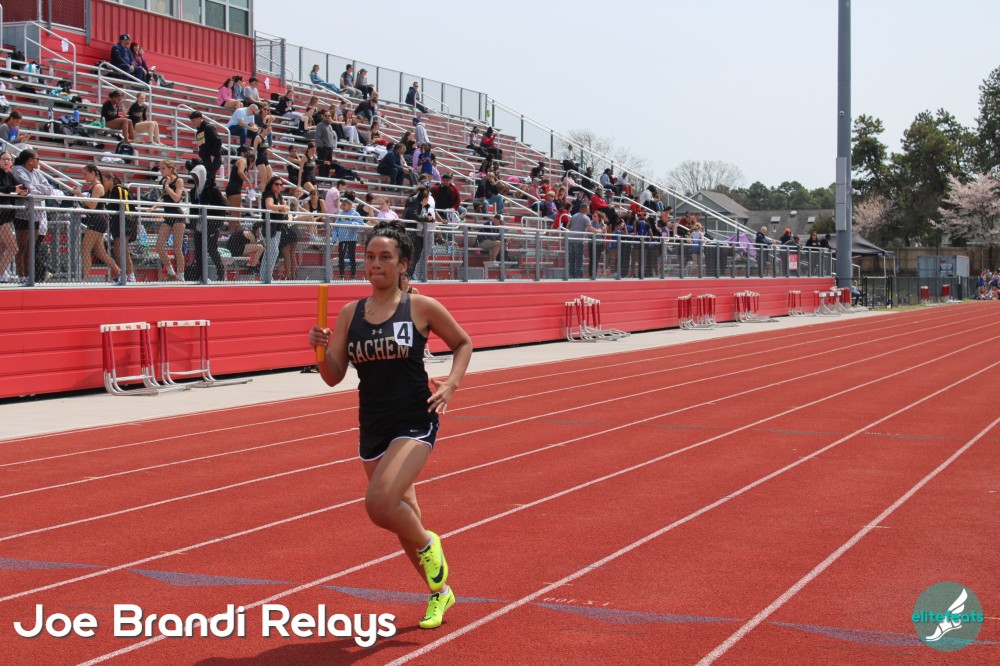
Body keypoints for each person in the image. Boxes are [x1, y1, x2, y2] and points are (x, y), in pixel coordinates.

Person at [307, 218, 472, 630]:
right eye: (370, 257)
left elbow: (462, 342)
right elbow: (333, 376)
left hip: (414, 418)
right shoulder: (350, 314)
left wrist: (451, 384)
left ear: (403, 264)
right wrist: (319, 350)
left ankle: (429, 543)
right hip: (373, 423)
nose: (375, 264)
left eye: (385, 257)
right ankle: (440, 592)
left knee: (380, 504)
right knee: (403, 515)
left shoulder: (420, 307)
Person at [186, 160, 227, 281]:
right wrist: (193, 223)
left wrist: (214, 219)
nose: (195, 179)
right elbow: (193, 209)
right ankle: (201, 276)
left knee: (212, 250)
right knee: (199, 251)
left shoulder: (212, 189)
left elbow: (223, 205)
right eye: (193, 176)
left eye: (196, 176)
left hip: (211, 225)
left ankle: (220, 273)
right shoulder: (193, 192)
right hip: (199, 226)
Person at [154, 159, 187, 281]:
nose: (161, 171)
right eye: (160, 168)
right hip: (168, 216)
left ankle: (181, 274)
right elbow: (165, 198)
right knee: (159, 246)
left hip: (178, 216)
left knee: (177, 247)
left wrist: (167, 186)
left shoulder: (178, 180)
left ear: (171, 168)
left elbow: (176, 198)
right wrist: (154, 207)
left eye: (163, 168)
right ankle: (170, 270)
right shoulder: (163, 181)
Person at [102, 172, 137, 282]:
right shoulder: (109, 193)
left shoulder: (119, 189)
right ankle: (127, 275)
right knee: (121, 249)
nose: (103, 184)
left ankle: (128, 275)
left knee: (120, 249)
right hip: (117, 225)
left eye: (104, 181)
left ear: (111, 180)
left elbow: (124, 206)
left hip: (125, 223)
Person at [0, 151, 26, 283]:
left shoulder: (9, 174)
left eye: (9, 159)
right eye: (4, 159)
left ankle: (2, 272)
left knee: (3, 247)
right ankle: (1, 271)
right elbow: (5, 188)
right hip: (2, 215)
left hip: (8, 214)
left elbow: (16, 188)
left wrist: (22, 191)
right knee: (13, 248)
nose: (6, 161)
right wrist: (13, 189)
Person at [333, 196, 367, 279]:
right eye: (342, 205)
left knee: (352, 256)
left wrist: (353, 224)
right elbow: (335, 226)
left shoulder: (355, 214)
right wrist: (334, 236)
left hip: (352, 239)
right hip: (342, 240)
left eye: (344, 205)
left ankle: (353, 275)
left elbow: (362, 225)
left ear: (350, 205)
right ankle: (341, 275)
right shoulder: (340, 214)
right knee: (341, 257)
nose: (342, 206)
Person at [190, 111, 222, 185]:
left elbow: (217, 141)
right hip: (205, 158)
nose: (192, 123)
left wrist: (213, 154)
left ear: (199, 118)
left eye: (193, 120)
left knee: (209, 179)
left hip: (212, 157)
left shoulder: (208, 127)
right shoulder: (198, 132)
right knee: (204, 179)